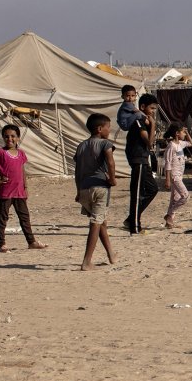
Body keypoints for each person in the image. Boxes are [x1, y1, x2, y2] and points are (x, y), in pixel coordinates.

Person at [0, 124, 47, 252]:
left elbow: (22, 170)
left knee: (24, 217)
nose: (9, 139)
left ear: (18, 138)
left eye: (13, 136)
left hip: (20, 191)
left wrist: (25, 187)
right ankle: (1, 244)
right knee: (3, 218)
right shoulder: (0, 152)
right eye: (6, 136)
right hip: (6, 192)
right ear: (3, 137)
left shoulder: (21, 153)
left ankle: (31, 242)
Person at [74, 113, 117, 270]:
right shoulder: (105, 144)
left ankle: (111, 254)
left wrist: (78, 190)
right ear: (100, 129)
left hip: (84, 188)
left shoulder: (81, 146)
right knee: (96, 223)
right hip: (100, 188)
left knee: (101, 222)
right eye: (108, 127)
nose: (109, 130)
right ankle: (87, 261)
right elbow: (110, 163)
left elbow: (77, 171)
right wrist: (112, 179)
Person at [123, 92, 159, 235]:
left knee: (152, 189)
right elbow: (149, 143)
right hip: (138, 159)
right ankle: (135, 227)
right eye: (152, 108)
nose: (153, 112)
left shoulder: (144, 121)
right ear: (143, 107)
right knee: (136, 194)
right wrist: (153, 126)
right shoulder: (138, 121)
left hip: (143, 159)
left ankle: (131, 219)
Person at [160, 123, 192, 229]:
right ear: (177, 133)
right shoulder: (171, 146)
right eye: (182, 132)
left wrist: (187, 133)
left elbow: (191, 143)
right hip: (174, 175)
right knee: (185, 196)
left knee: (175, 198)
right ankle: (169, 215)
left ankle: (169, 222)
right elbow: (168, 163)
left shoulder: (180, 144)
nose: (184, 134)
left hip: (180, 174)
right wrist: (167, 179)